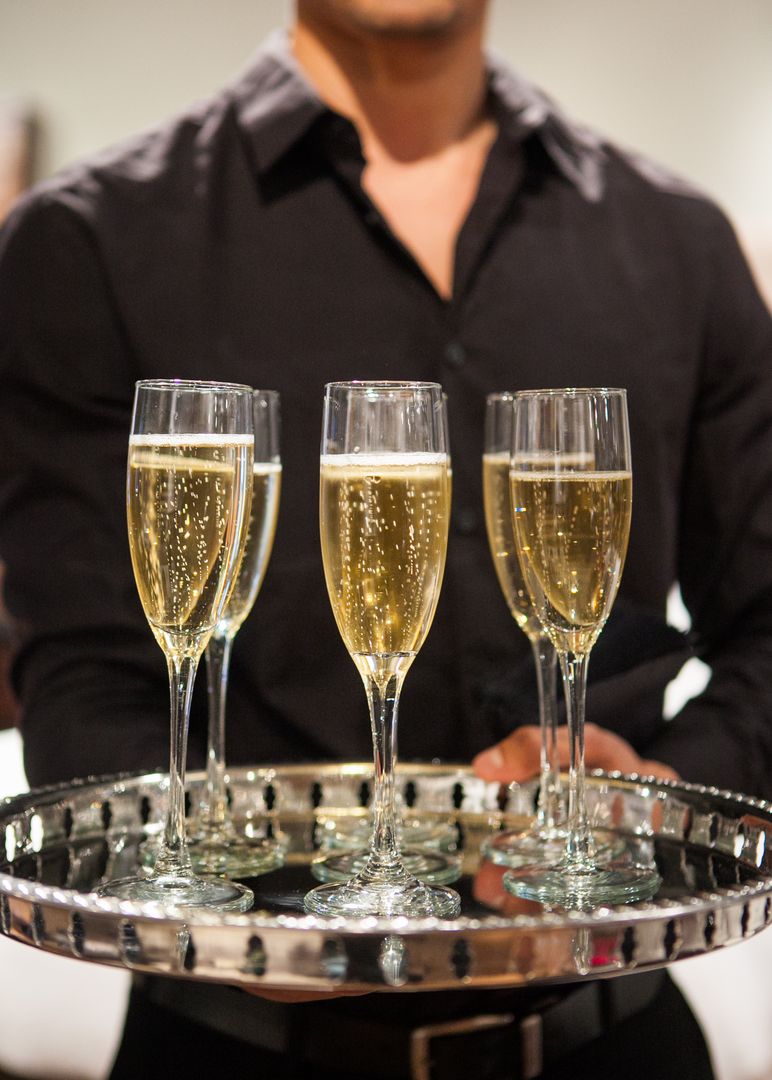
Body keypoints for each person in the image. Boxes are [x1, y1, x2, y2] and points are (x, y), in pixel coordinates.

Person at [1, 0, 771, 1076]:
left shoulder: (679, 243)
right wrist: (272, 902)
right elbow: (79, 684)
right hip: (236, 1049)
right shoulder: (84, 240)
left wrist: (657, 792)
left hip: (613, 1041)